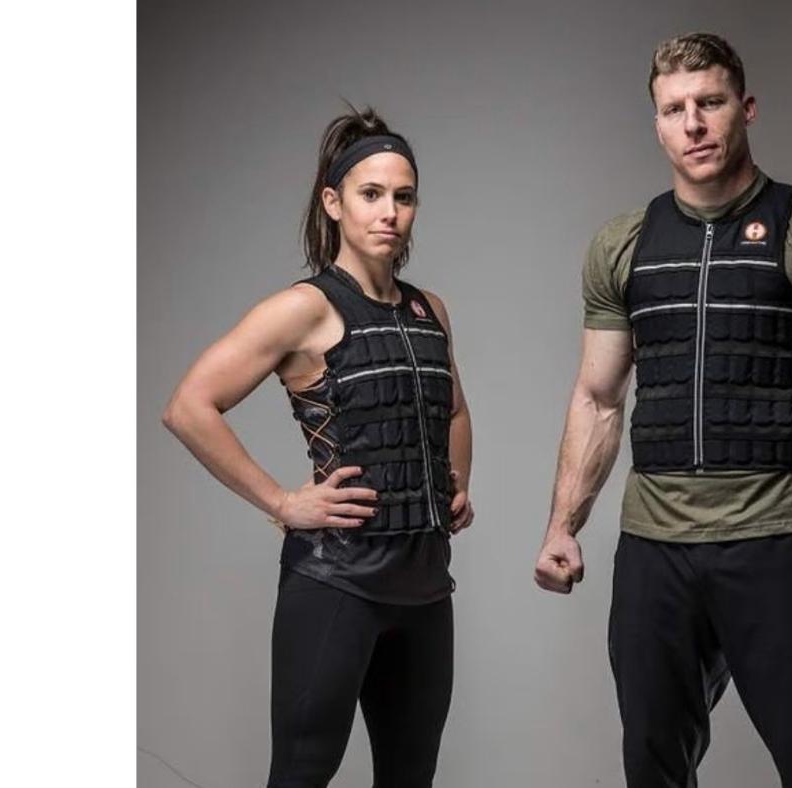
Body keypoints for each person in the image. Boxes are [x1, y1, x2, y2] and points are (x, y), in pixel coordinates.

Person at [533, 33, 792, 788]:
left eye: (711, 103)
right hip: (655, 546)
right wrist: (563, 525)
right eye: (674, 109)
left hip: (776, 536)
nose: (693, 123)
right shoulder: (623, 244)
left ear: (745, 108)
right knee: (652, 766)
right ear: (657, 125)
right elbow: (598, 396)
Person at [163, 106, 473, 788]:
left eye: (403, 197)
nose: (389, 212)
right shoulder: (304, 309)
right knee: (300, 777)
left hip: (425, 591)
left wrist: (455, 486)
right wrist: (282, 502)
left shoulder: (431, 310)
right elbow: (188, 407)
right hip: (338, 584)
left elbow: (453, 408)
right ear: (334, 203)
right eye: (371, 194)